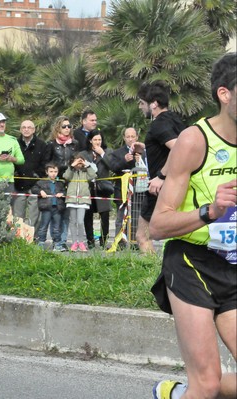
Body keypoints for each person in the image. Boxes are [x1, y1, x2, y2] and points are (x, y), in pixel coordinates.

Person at [149, 52, 236, 399]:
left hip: (231, 265)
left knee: (208, 387)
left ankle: (177, 393)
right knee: (207, 384)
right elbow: (158, 225)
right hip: (190, 263)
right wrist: (209, 211)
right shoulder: (194, 140)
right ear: (224, 94)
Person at [136, 81, 186, 253]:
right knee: (178, 235)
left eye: (142, 103)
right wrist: (146, 147)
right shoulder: (175, 119)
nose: (140, 107)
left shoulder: (158, 123)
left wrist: (161, 176)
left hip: (160, 188)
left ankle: (148, 275)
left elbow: (179, 147)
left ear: (154, 103)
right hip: (180, 184)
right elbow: (172, 146)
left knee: (143, 236)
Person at [44, 115, 79, 249]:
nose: (67, 129)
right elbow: (47, 163)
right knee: (56, 212)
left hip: (70, 180)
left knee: (66, 213)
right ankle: (55, 240)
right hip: (56, 181)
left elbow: (77, 159)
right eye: (64, 126)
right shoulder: (51, 144)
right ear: (58, 127)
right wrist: (54, 171)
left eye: (69, 126)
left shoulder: (74, 144)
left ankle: (63, 241)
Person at [108, 127, 145, 246]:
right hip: (122, 191)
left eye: (132, 136)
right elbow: (113, 167)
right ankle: (120, 242)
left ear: (137, 137)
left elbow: (149, 168)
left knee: (136, 217)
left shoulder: (143, 152)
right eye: (128, 137)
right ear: (124, 138)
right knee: (121, 217)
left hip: (139, 190)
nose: (130, 139)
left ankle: (135, 242)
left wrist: (140, 160)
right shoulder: (117, 152)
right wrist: (124, 160)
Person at [80, 130, 113, 249]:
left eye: (99, 140)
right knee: (87, 215)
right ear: (90, 140)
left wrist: (102, 153)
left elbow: (112, 165)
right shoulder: (84, 153)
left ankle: (104, 242)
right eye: (95, 140)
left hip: (103, 187)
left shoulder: (108, 151)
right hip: (88, 187)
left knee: (104, 215)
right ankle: (90, 241)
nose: (98, 142)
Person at [12, 119, 47, 231]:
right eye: (24, 127)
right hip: (18, 184)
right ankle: (18, 239)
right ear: (20, 129)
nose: (26, 130)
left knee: (34, 215)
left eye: (29, 127)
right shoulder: (14, 143)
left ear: (34, 130)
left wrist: (37, 176)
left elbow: (45, 163)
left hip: (35, 184)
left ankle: (32, 238)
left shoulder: (42, 145)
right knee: (17, 215)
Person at [63, 152, 97, 252]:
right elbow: (66, 176)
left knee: (80, 221)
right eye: (77, 162)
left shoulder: (85, 173)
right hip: (72, 199)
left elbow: (93, 176)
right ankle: (74, 242)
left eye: (80, 162)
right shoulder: (71, 172)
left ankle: (81, 242)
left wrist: (87, 165)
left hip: (83, 200)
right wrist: (72, 166)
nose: (79, 164)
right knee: (72, 221)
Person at [32, 163, 65, 251]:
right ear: (47, 172)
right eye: (51, 171)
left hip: (57, 208)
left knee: (57, 228)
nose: (53, 173)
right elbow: (34, 189)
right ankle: (41, 243)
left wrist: (62, 194)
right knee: (43, 226)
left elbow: (65, 191)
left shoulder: (60, 183)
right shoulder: (41, 182)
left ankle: (57, 244)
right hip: (46, 208)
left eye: (55, 171)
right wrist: (40, 191)